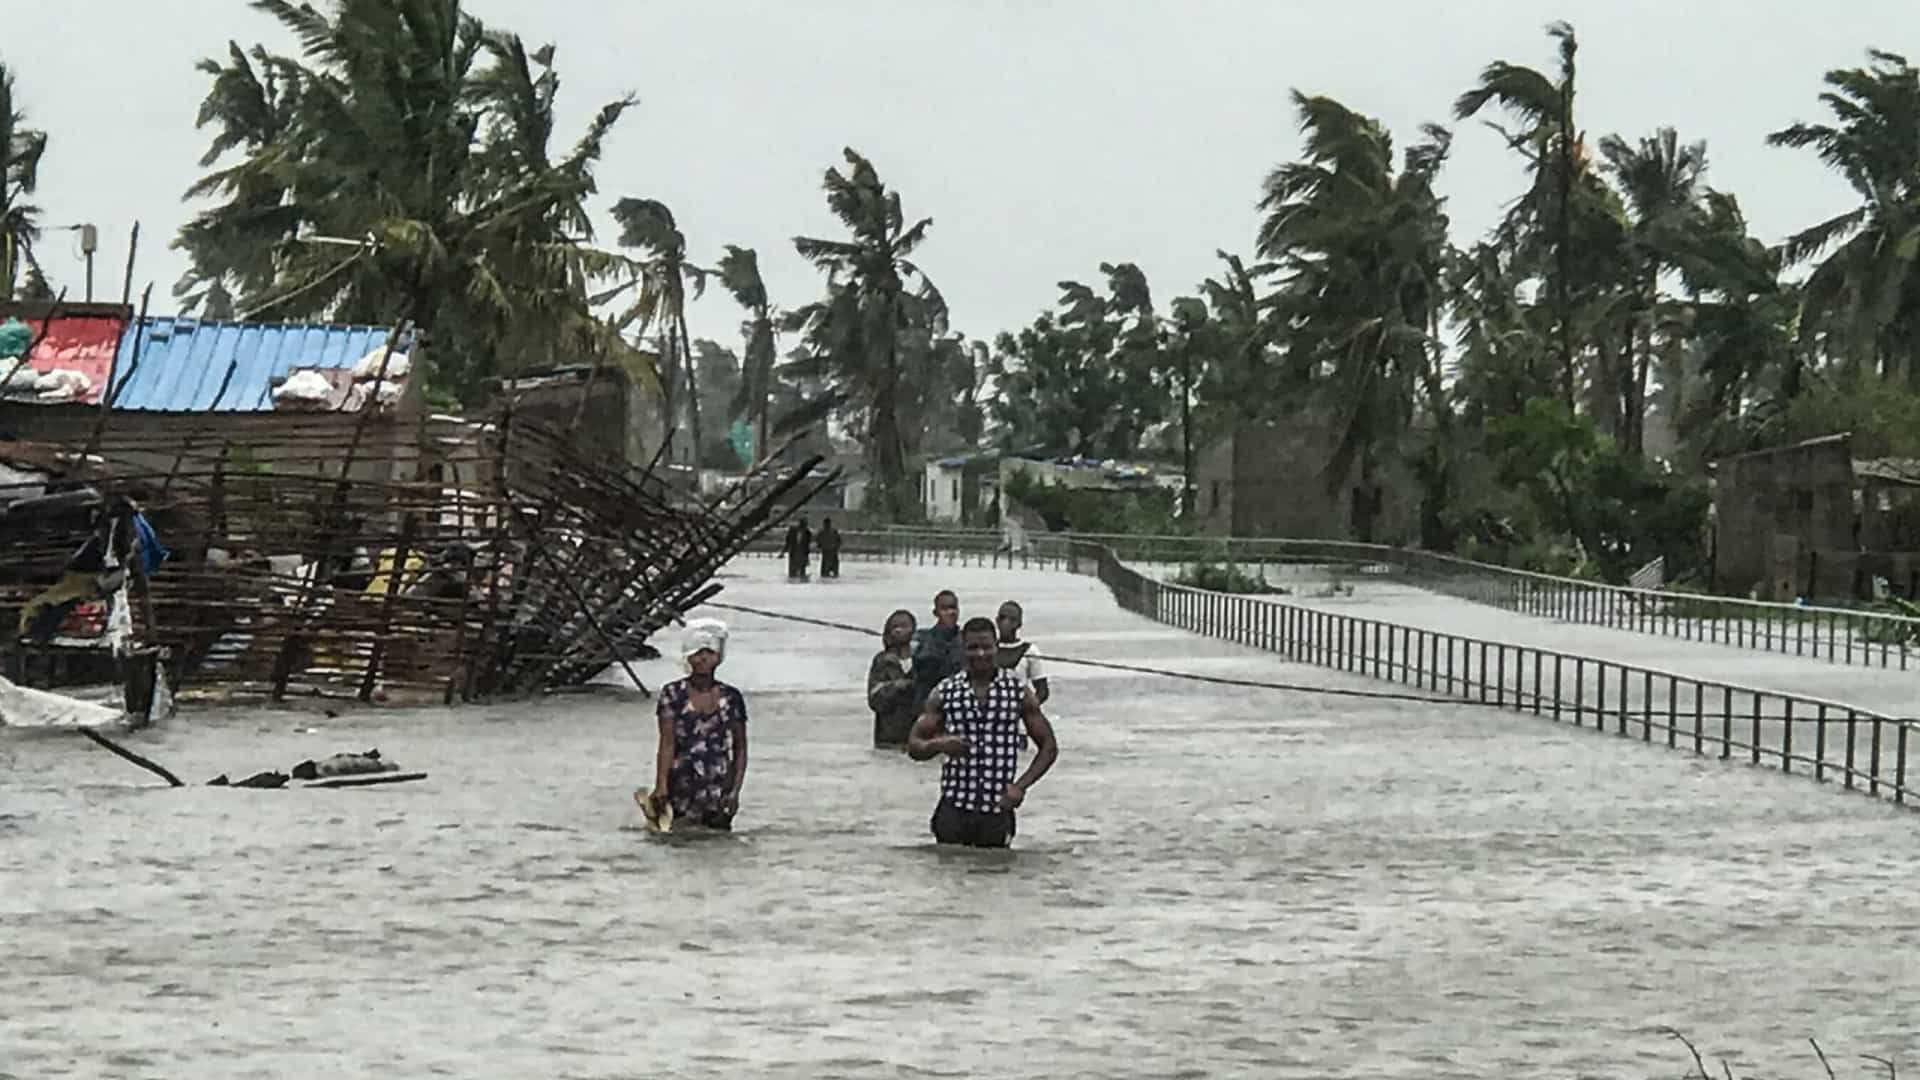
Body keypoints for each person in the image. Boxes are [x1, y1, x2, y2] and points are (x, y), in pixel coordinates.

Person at [907, 616, 1059, 848]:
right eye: (973, 648)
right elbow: (914, 745)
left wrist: (1020, 786)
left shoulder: (1018, 691)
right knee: (949, 875)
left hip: (997, 811)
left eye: (986, 647)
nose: (980, 654)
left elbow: (1048, 747)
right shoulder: (946, 691)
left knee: (997, 873)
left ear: (996, 647)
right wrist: (939, 745)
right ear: (963, 649)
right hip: (953, 808)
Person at [643, 618, 749, 831]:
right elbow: (667, 743)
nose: (702, 659)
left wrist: (735, 791)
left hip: (718, 787)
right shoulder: (673, 694)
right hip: (680, 783)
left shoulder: (731, 697)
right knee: (678, 839)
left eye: (708, 653)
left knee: (716, 843)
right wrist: (661, 785)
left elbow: (740, 748)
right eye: (697, 654)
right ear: (688, 658)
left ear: (718, 658)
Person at [867, 609, 918, 748]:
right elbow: (874, 700)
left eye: (904, 626)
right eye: (894, 627)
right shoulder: (882, 661)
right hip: (889, 740)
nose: (899, 630)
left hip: (919, 739)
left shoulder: (923, 659)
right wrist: (896, 686)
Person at [909, 589, 965, 714]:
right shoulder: (922, 639)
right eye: (945, 609)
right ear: (936, 612)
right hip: (926, 706)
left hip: (957, 706)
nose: (950, 613)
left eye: (953, 608)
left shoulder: (966, 640)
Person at [993, 600, 1049, 706]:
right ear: (997, 621)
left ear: (1019, 623)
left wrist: (1027, 710)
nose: (1006, 623)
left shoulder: (1030, 651)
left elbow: (1043, 691)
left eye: (1012, 619)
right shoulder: (987, 649)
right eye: (1002, 618)